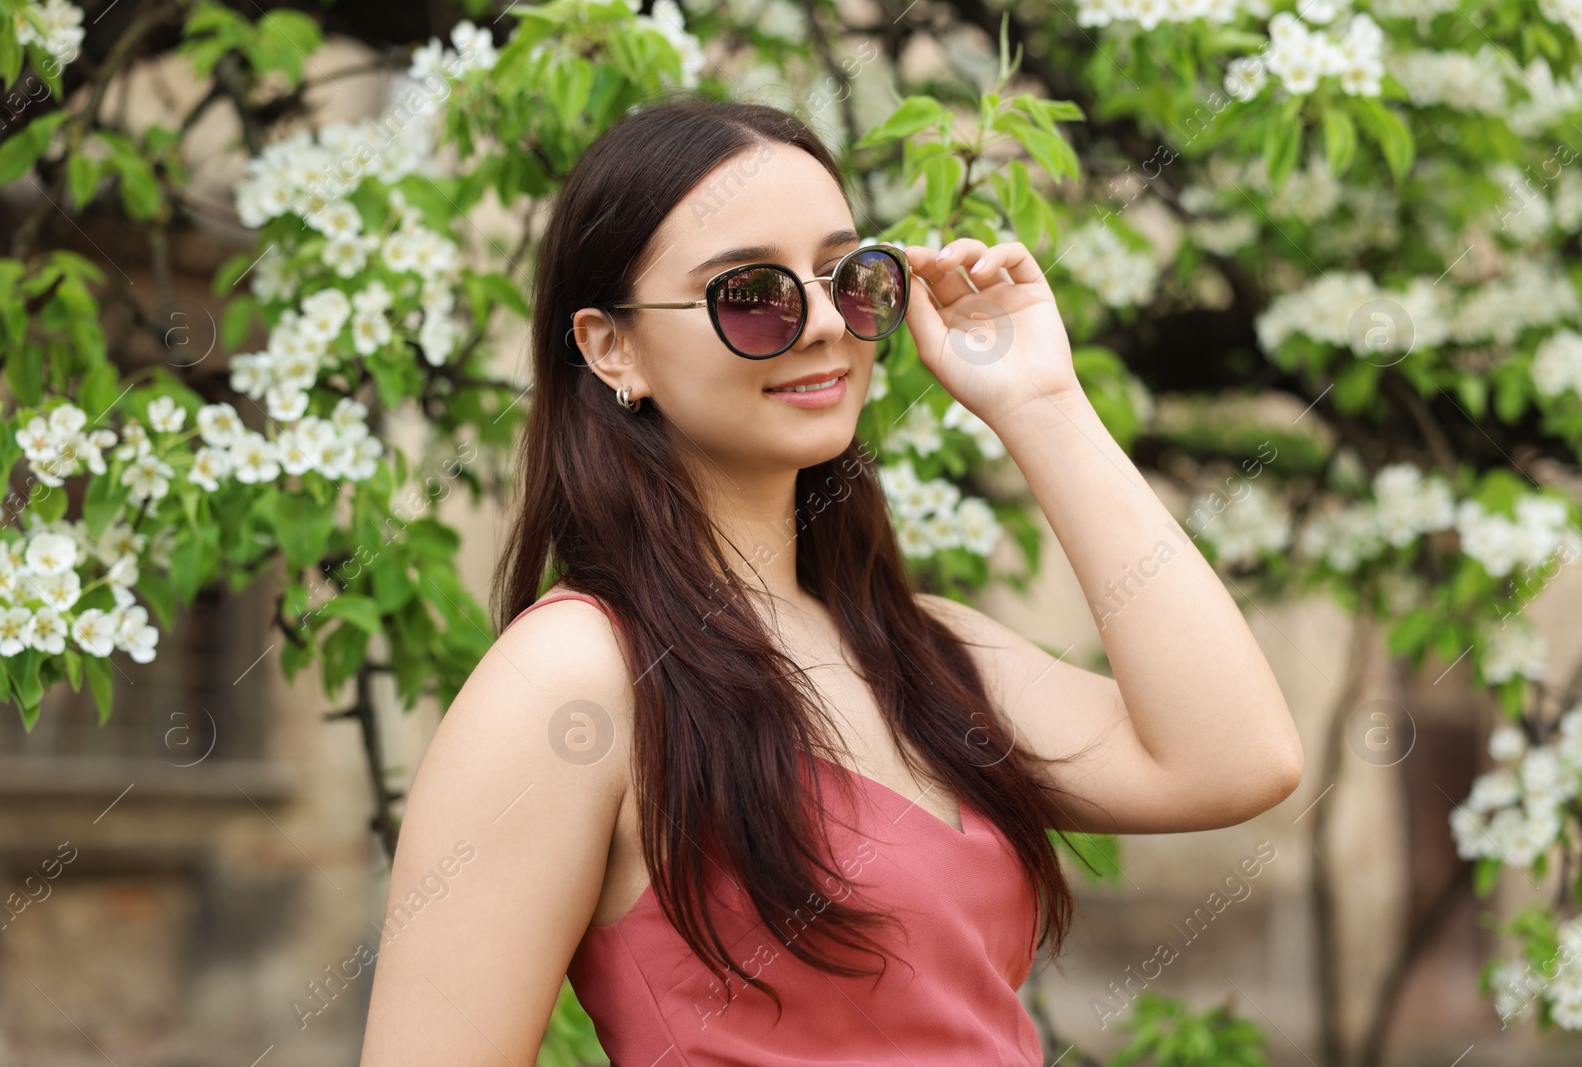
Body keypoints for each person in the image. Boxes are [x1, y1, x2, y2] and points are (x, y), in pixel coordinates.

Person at [357, 92, 1302, 1066]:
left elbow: (1234, 756)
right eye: (749, 292)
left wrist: (1043, 403)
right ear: (611, 346)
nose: (820, 325)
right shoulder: (577, 675)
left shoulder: (924, 651)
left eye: (846, 276)